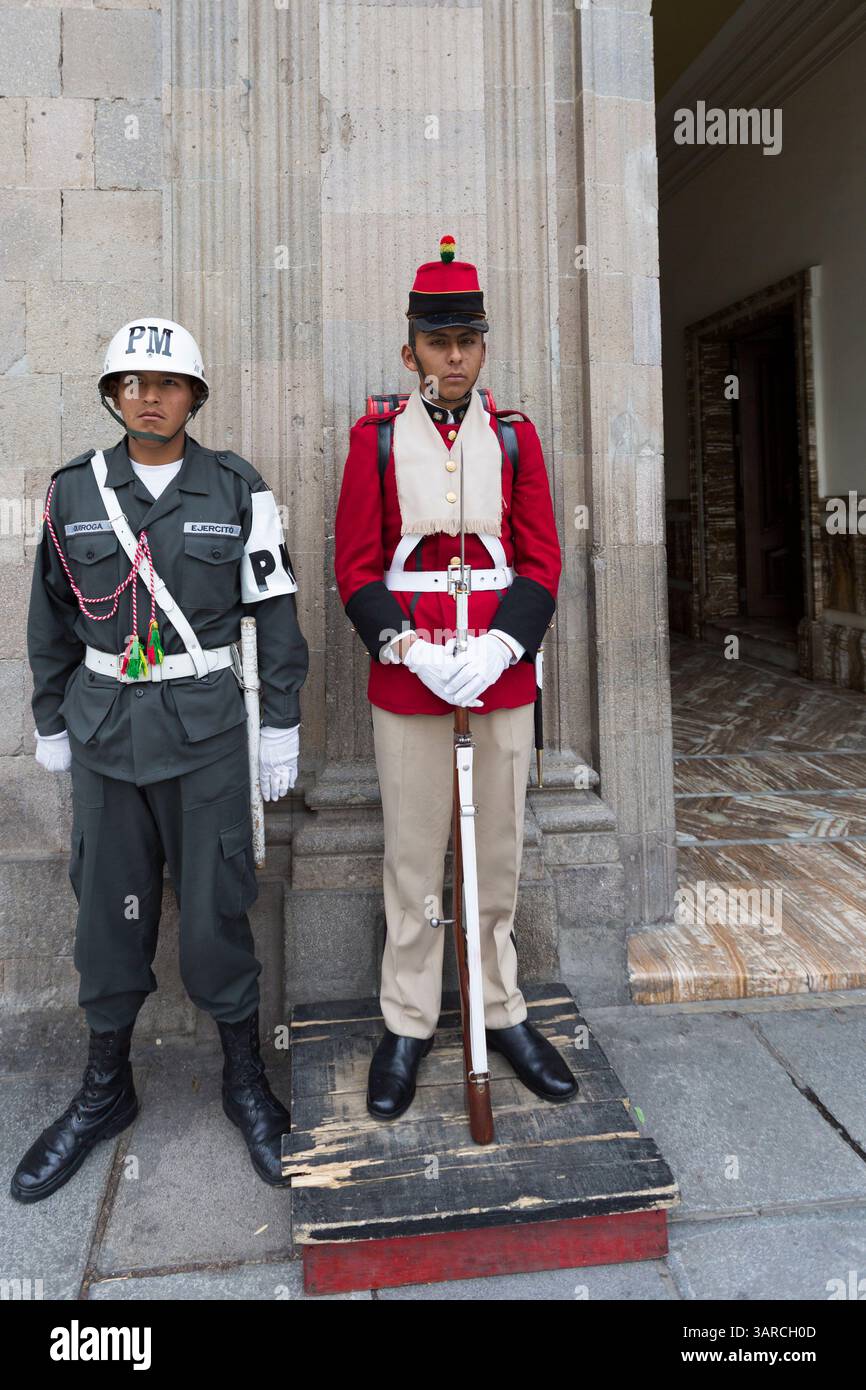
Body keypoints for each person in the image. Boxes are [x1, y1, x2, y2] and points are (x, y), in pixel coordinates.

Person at [11, 318, 308, 1202]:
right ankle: (106, 1092)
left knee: (219, 903)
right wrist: (50, 721)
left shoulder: (239, 488)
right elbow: (50, 617)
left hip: (209, 734)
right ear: (113, 394)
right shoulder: (73, 493)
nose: (148, 394)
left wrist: (280, 724)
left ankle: (243, 1078)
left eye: (167, 382)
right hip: (105, 736)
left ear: (193, 396)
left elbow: (276, 609)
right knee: (106, 910)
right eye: (132, 381)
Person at [334, 238, 578, 1119]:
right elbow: (355, 566)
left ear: (483, 347)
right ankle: (407, 1021)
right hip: (411, 680)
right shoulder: (373, 440)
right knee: (411, 860)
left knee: (496, 861)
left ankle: (501, 1011)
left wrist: (503, 646)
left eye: (467, 340)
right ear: (411, 352)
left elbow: (544, 562)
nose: (453, 356)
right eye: (437, 342)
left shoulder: (516, 440)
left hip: (500, 678)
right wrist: (407, 646)